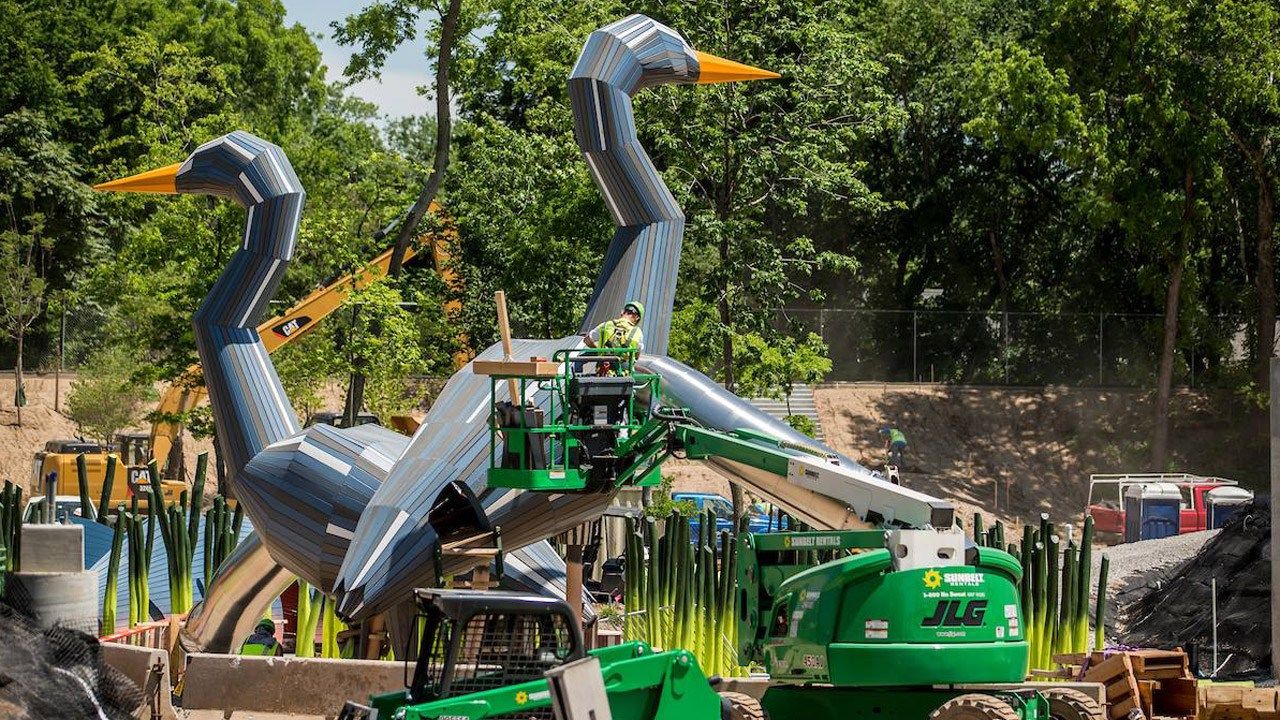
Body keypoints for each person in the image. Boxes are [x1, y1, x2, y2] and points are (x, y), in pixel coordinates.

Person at [583, 300, 645, 374]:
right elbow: (637, 356)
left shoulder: (605, 325)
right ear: (637, 318)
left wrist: (599, 351)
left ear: (622, 312)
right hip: (624, 377)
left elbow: (587, 340)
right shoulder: (638, 332)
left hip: (603, 373)